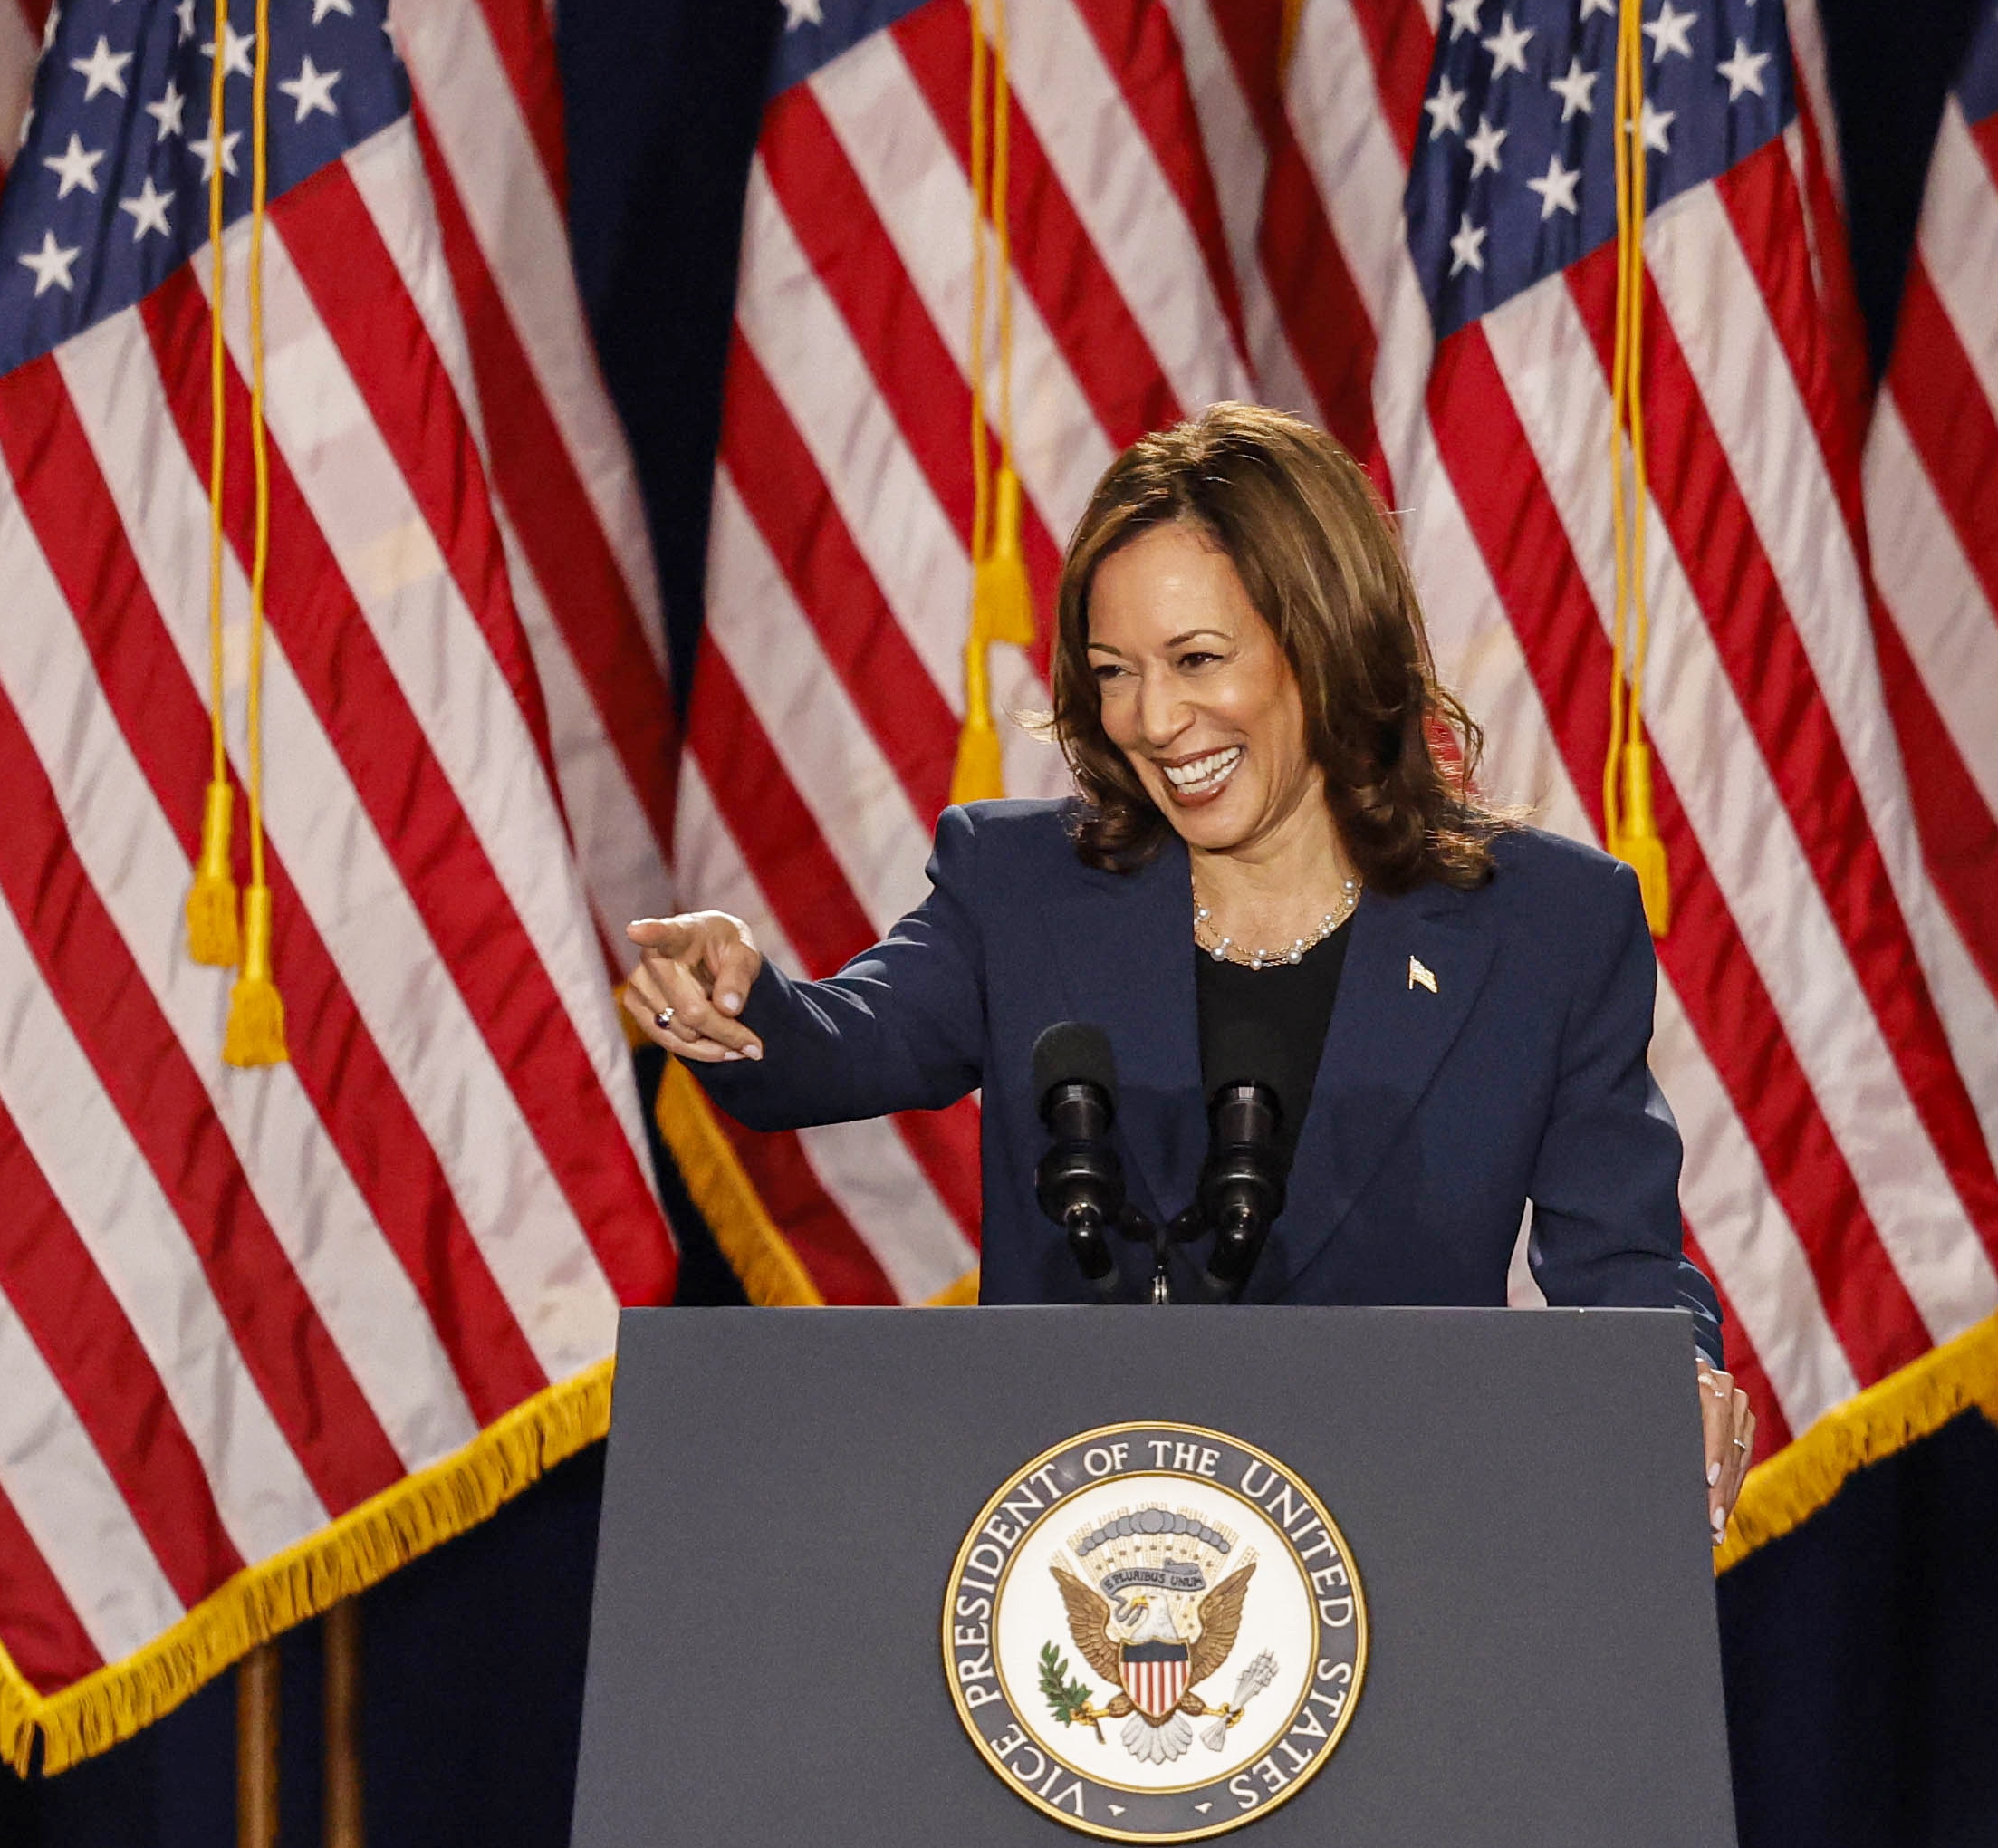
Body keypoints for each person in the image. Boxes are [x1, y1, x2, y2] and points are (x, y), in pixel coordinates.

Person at [605, 403, 1758, 1532]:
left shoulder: (1546, 927)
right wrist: (738, 999)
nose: (1152, 719)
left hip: (1402, 1541)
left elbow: (1621, 1259)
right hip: (1073, 1544)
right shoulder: (1020, 888)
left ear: (1323, 639)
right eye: (1113, 671)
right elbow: (837, 1046)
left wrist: (1676, 1377)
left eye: (1196, 659)